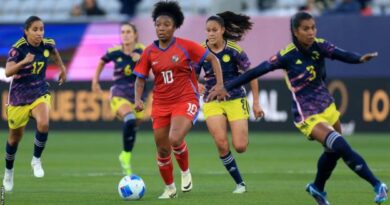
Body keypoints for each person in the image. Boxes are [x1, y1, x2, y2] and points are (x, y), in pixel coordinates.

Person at [208, 11, 388, 205]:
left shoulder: (320, 45)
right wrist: (227, 86)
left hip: (327, 105)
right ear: (296, 31)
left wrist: (359, 59)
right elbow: (256, 71)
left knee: (334, 151)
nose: (311, 32)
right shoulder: (286, 55)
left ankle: (317, 187)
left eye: (313, 28)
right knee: (341, 145)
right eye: (305, 29)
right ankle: (378, 185)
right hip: (307, 113)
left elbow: (341, 54)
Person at [133, 1, 224, 199]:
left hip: (185, 98)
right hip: (161, 103)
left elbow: (213, 59)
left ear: (174, 27)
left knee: (175, 138)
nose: (161, 28)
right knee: (162, 148)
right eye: (158, 25)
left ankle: (185, 171)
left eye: (166, 24)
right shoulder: (149, 51)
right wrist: (138, 99)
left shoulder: (186, 46)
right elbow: (140, 78)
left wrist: (218, 85)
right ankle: (169, 188)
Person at [196, 11, 264, 194]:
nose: (210, 34)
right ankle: (240, 184)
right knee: (220, 142)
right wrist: (197, 84)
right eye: (208, 30)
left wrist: (256, 103)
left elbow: (253, 74)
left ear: (222, 30)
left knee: (240, 146)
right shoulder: (200, 51)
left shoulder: (234, 51)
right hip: (212, 101)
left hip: (235, 99)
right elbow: (190, 75)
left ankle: (240, 150)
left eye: (214, 30)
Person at [2, 16, 67, 192]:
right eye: (35, 29)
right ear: (26, 31)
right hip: (18, 98)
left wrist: (62, 68)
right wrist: (24, 62)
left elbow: (54, 53)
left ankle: (36, 160)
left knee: (44, 123)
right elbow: (8, 72)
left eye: (41, 29)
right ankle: (8, 172)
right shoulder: (18, 49)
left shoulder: (47, 44)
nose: (39, 33)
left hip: (39, 92)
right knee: (14, 139)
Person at [92, 22, 145, 176]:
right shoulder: (115, 51)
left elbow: (154, 66)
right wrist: (95, 80)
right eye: (123, 32)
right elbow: (102, 61)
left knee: (134, 124)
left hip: (138, 95)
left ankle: (125, 154)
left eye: (128, 31)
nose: (125, 35)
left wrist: (141, 60)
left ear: (135, 34)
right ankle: (126, 156)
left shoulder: (144, 50)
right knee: (129, 119)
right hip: (119, 92)